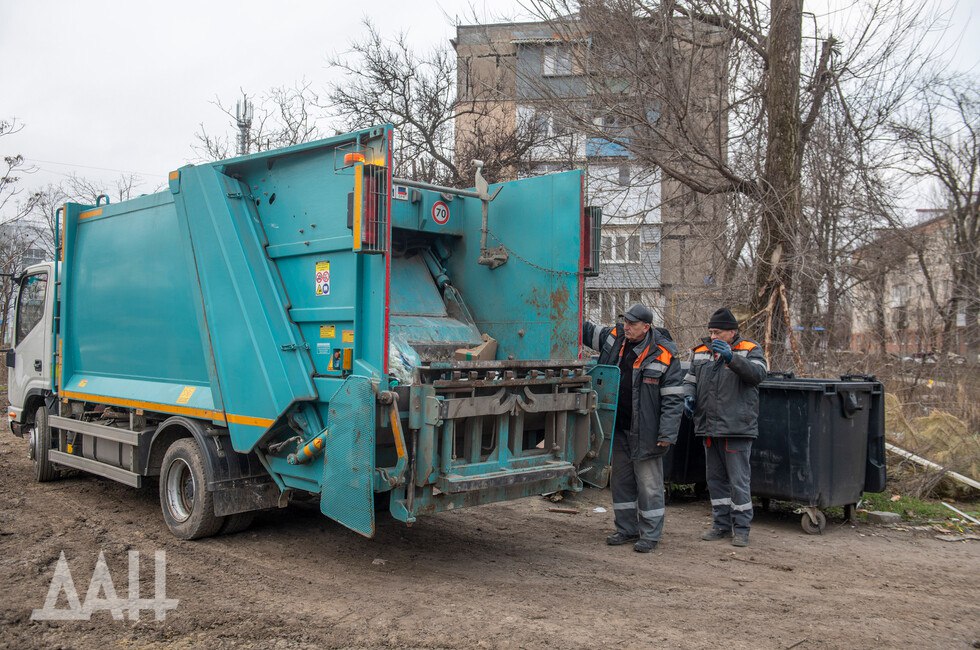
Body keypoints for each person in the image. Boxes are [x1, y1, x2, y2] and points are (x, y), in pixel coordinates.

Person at [583, 303, 686, 553]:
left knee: (649, 485)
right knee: (621, 481)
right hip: (617, 427)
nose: (626, 327)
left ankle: (650, 534)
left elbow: (673, 399)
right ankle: (626, 529)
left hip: (647, 432)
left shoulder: (664, 353)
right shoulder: (614, 338)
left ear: (646, 327)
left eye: (632, 324)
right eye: (625, 322)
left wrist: (667, 434)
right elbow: (585, 330)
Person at [683, 307, 768, 547]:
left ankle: (741, 529)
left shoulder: (750, 350)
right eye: (711, 331)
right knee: (715, 479)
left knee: (739, 481)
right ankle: (720, 525)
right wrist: (688, 397)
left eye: (718, 332)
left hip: (736, 429)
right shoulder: (700, 352)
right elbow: (690, 379)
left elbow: (758, 375)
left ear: (732, 332)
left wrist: (732, 358)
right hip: (709, 427)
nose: (713, 337)